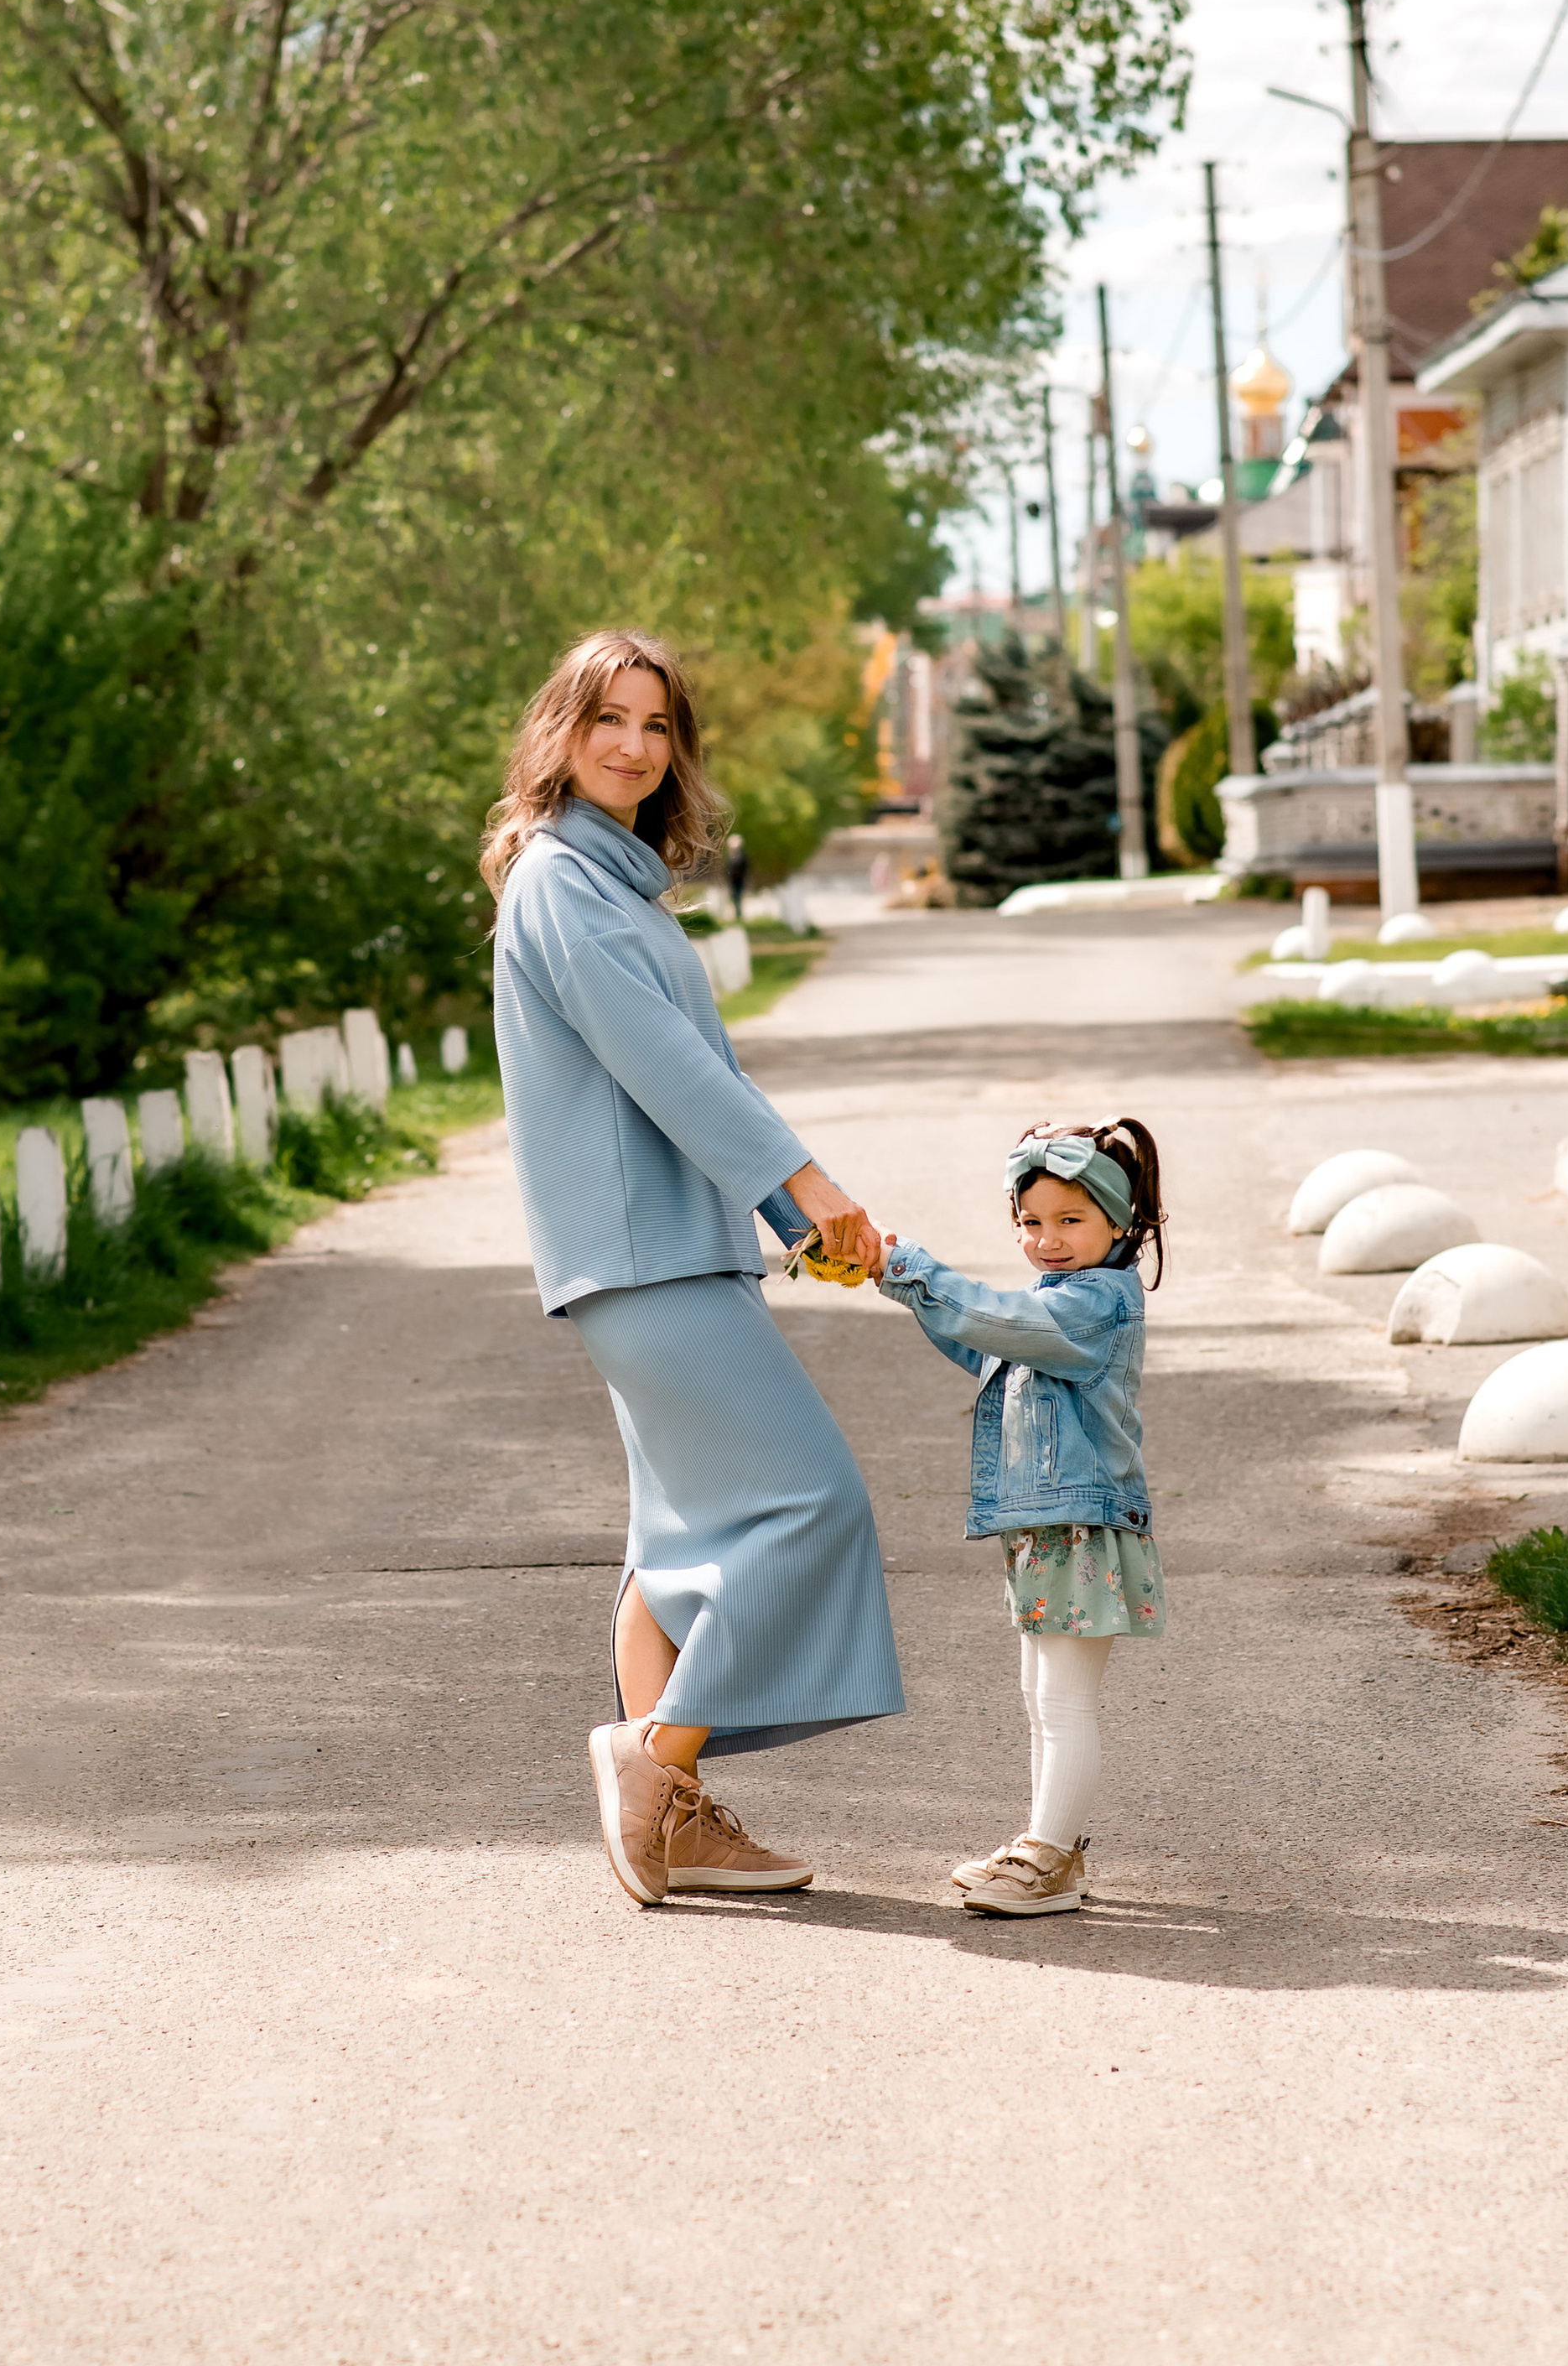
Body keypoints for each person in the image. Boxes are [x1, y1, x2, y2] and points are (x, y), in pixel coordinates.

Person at [484, 627, 904, 1908]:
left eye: (656, 724)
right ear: (559, 731)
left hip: (669, 1249)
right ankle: (652, 1759)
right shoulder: (560, 881)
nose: (633, 743)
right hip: (641, 1253)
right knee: (813, 1501)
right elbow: (664, 1071)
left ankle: (673, 1825)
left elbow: (696, 1065)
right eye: (607, 717)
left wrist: (788, 1204)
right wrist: (806, 1183)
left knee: (673, 1544)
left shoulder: (615, 881)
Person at [875, 1120, 1166, 1916]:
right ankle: (1050, 1846)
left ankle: (1048, 1859)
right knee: (1043, 1695)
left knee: (1066, 1700)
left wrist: (909, 1268)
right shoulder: (1051, 1306)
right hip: (1047, 1526)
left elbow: (998, 1324)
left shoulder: (1097, 1302)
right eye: (1032, 1223)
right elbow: (985, 1341)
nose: (1048, 1240)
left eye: (1071, 1221)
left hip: (1083, 1524)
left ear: (1119, 1222)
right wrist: (899, 1284)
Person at [723, 829, 750, 923]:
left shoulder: (742, 855)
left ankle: (739, 914)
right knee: (734, 896)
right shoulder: (730, 856)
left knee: (738, 895)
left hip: (740, 878)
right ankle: (736, 913)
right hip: (732, 878)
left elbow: (745, 866)